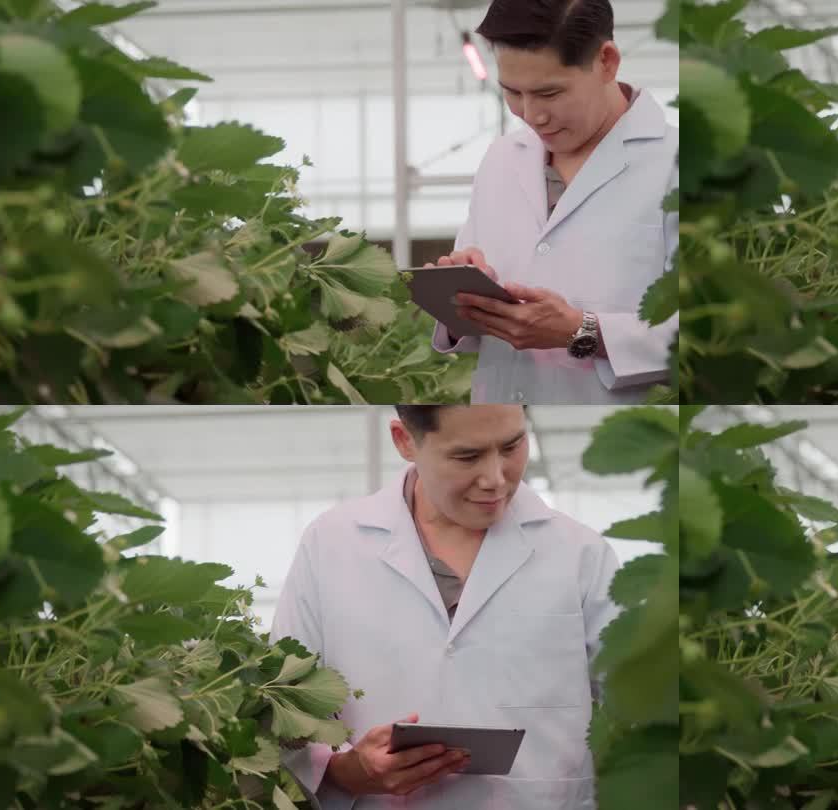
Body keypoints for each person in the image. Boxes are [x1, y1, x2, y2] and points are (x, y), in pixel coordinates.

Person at [273, 405, 621, 809]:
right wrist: (343, 770)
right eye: (467, 457)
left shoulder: (580, 552)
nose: (495, 479)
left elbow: (639, 707)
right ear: (406, 441)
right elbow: (283, 701)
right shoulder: (331, 544)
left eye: (512, 446)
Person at [425, 0, 678, 404]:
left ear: (606, 62)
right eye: (512, 93)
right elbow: (471, 334)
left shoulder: (679, 164)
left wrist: (582, 331)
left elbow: (713, 333)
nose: (532, 115)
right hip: (502, 404)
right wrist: (463, 297)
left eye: (550, 92)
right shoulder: (501, 159)